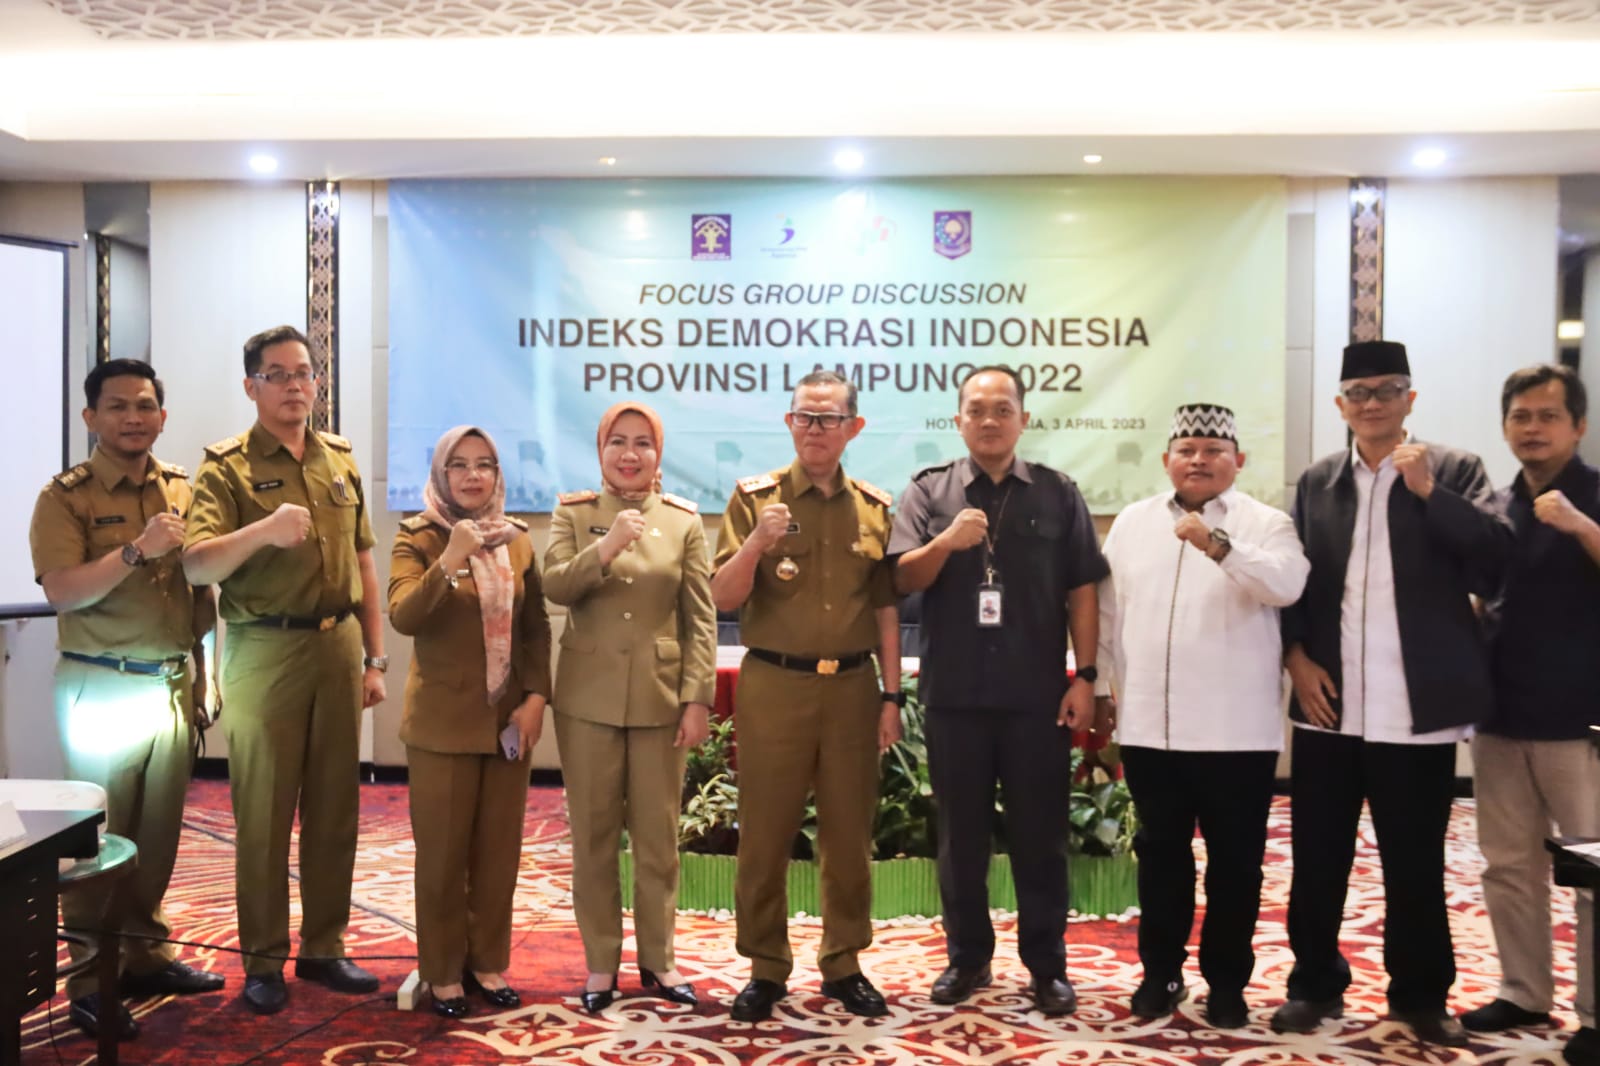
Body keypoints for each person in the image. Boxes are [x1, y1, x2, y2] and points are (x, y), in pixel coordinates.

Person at [1271, 339, 1511, 1047]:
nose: (1372, 403)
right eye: (1359, 393)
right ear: (1341, 405)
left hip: (1416, 709)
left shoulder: (1455, 469)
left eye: (1387, 389)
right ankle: (1314, 984)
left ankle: (1420, 996)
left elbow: (1494, 562)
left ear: (1411, 399)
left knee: (1413, 862)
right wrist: (1295, 657)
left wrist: (1430, 493)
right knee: (1317, 859)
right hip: (1329, 706)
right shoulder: (1317, 482)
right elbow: (1294, 580)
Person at [889, 365, 1106, 1015]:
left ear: (1023, 419)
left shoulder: (1057, 493)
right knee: (961, 840)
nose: (989, 419)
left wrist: (1086, 677)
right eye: (976, 409)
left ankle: (1047, 966)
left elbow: (1083, 590)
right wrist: (947, 542)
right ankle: (968, 960)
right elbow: (901, 578)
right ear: (957, 421)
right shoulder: (928, 493)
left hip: (1036, 698)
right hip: (955, 697)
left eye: (1002, 409)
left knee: (1041, 838)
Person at [182, 325, 387, 1015]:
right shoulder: (225, 467)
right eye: (279, 374)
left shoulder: (338, 459)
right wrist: (263, 529)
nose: (296, 384)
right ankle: (263, 958)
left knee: (337, 807)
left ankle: (325, 947)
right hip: (264, 648)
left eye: (305, 372)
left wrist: (376, 656)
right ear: (252, 387)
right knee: (264, 812)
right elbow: (195, 563)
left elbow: (364, 562)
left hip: (338, 644)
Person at [1095, 403, 1308, 1028]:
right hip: (1150, 731)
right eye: (1187, 449)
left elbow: (1286, 585)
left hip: (1235, 733)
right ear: (1166, 461)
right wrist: (1101, 690)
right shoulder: (1133, 523)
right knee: (1161, 860)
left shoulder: (1266, 523)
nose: (1199, 460)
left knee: (1236, 866)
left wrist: (1218, 545)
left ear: (1237, 461)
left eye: (1213, 450)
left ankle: (1227, 983)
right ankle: (1159, 974)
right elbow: (1109, 616)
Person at [29, 359, 224, 1041]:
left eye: (144, 406)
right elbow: (63, 590)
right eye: (116, 406)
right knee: (97, 841)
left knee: (160, 835)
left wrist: (207, 675)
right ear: (91, 418)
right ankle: (89, 979)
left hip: (171, 682)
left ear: (162, 417)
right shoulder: (66, 497)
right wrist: (137, 552)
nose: (132, 417)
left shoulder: (181, 488)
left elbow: (201, 596)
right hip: (101, 683)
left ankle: (143, 954)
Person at [711, 369, 902, 1022]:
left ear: (854, 428)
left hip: (852, 687)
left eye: (829, 418)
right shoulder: (753, 498)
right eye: (804, 417)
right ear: (790, 423)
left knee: (848, 836)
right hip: (774, 684)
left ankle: (844, 961)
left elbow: (885, 610)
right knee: (764, 834)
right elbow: (720, 597)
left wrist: (893, 697)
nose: (816, 429)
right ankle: (766, 967)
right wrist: (759, 540)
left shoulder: (876, 508)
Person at [542, 401, 716, 1013]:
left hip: (660, 700)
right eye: (619, 441)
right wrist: (606, 547)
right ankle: (599, 965)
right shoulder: (575, 513)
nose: (630, 454)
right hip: (587, 700)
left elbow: (700, 618)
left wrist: (697, 699)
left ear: (659, 454)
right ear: (600, 449)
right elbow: (556, 585)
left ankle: (661, 963)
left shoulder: (684, 522)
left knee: (657, 841)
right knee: (591, 837)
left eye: (643, 443)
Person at [1461, 364, 1600, 1066]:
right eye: (1521, 416)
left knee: (1594, 873)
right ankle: (1523, 991)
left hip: (1583, 719)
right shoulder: (1495, 505)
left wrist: (1582, 528)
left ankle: (1598, 1015)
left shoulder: (1595, 497)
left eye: (1549, 415)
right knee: (1508, 865)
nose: (1534, 427)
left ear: (1578, 425)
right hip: (1501, 713)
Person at [388, 426, 551, 1019]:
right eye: (459, 465)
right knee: (442, 855)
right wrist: (452, 556)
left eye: (485, 465)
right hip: (442, 725)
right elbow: (405, 616)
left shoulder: (520, 541)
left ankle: (486, 961)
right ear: (440, 474)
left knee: (497, 853)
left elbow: (536, 627)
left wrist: (536, 697)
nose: (473, 476)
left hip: (507, 722)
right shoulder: (418, 537)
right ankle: (441, 971)